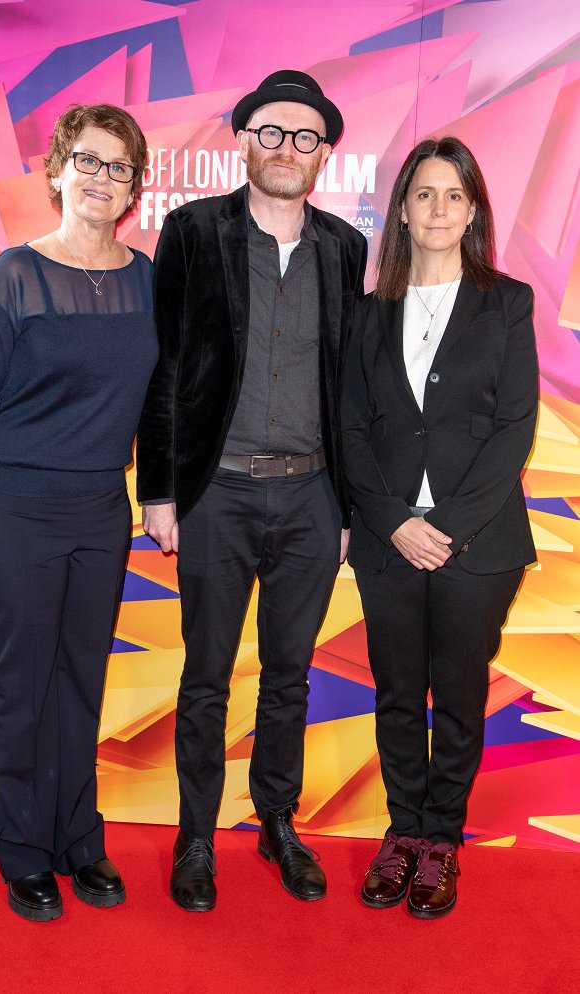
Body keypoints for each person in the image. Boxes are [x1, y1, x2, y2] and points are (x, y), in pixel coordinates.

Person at [137, 70, 367, 911]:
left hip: (310, 498)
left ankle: (277, 823)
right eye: (271, 132)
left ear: (322, 154)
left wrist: (346, 504)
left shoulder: (346, 247)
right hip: (213, 495)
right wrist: (157, 491)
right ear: (244, 140)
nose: (286, 149)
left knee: (289, 676)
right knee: (204, 677)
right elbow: (164, 365)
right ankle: (196, 835)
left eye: (304, 137)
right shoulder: (194, 230)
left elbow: (347, 384)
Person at [0, 104, 157, 921]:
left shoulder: (145, 278)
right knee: (26, 685)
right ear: (60, 169)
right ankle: (25, 850)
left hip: (102, 508)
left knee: (81, 680)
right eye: (90, 161)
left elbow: (166, 397)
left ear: (134, 186)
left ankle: (80, 840)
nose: (102, 179)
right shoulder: (15, 273)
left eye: (119, 167)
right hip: (17, 510)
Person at [341, 136, 538, 919]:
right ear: (400, 210)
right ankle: (401, 833)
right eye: (423, 193)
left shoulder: (506, 302)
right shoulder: (366, 313)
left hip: (477, 544)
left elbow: (513, 427)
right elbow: (349, 428)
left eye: (452, 195)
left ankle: (440, 843)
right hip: (387, 544)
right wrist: (392, 523)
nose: (437, 209)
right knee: (396, 693)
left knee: (455, 696)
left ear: (472, 211)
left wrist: (444, 527)